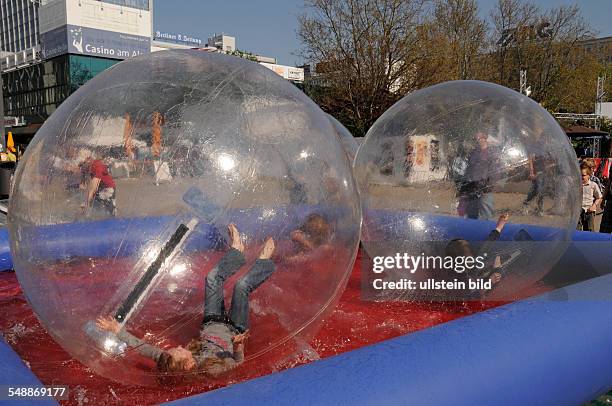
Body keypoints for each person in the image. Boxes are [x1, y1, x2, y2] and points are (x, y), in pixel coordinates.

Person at [97, 224, 276, 377]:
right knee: (241, 286)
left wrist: (116, 330)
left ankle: (237, 251)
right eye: (181, 351)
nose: (181, 347)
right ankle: (264, 263)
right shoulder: (212, 369)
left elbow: (143, 348)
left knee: (212, 278)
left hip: (212, 322)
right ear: (188, 365)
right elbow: (238, 364)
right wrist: (238, 346)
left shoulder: (169, 360)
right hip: (236, 328)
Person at [461, 132, 497, 220]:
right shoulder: (473, 153)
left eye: (480, 138)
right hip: (473, 185)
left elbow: (496, 170)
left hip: (486, 186)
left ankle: (487, 231)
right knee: (471, 213)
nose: (479, 140)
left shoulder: (492, 153)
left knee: (486, 214)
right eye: (477, 139)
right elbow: (469, 169)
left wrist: (490, 184)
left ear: (485, 139)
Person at [577, 166, 603, 232]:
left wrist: (594, 206)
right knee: (577, 230)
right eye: (579, 175)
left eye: (583, 175)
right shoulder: (576, 185)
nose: (581, 177)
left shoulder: (593, 185)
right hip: (578, 212)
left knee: (589, 230)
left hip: (589, 212)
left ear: (589, 175)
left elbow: (599, 197)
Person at [521, 152, 547, 216]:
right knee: (538, 189)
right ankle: (530, 205)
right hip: (537, 172)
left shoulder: (545, 147)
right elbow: (531, 159)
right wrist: (531, 172)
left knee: (539, 190)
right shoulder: (535, 147)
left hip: (545, 172)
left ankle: (537, 207)